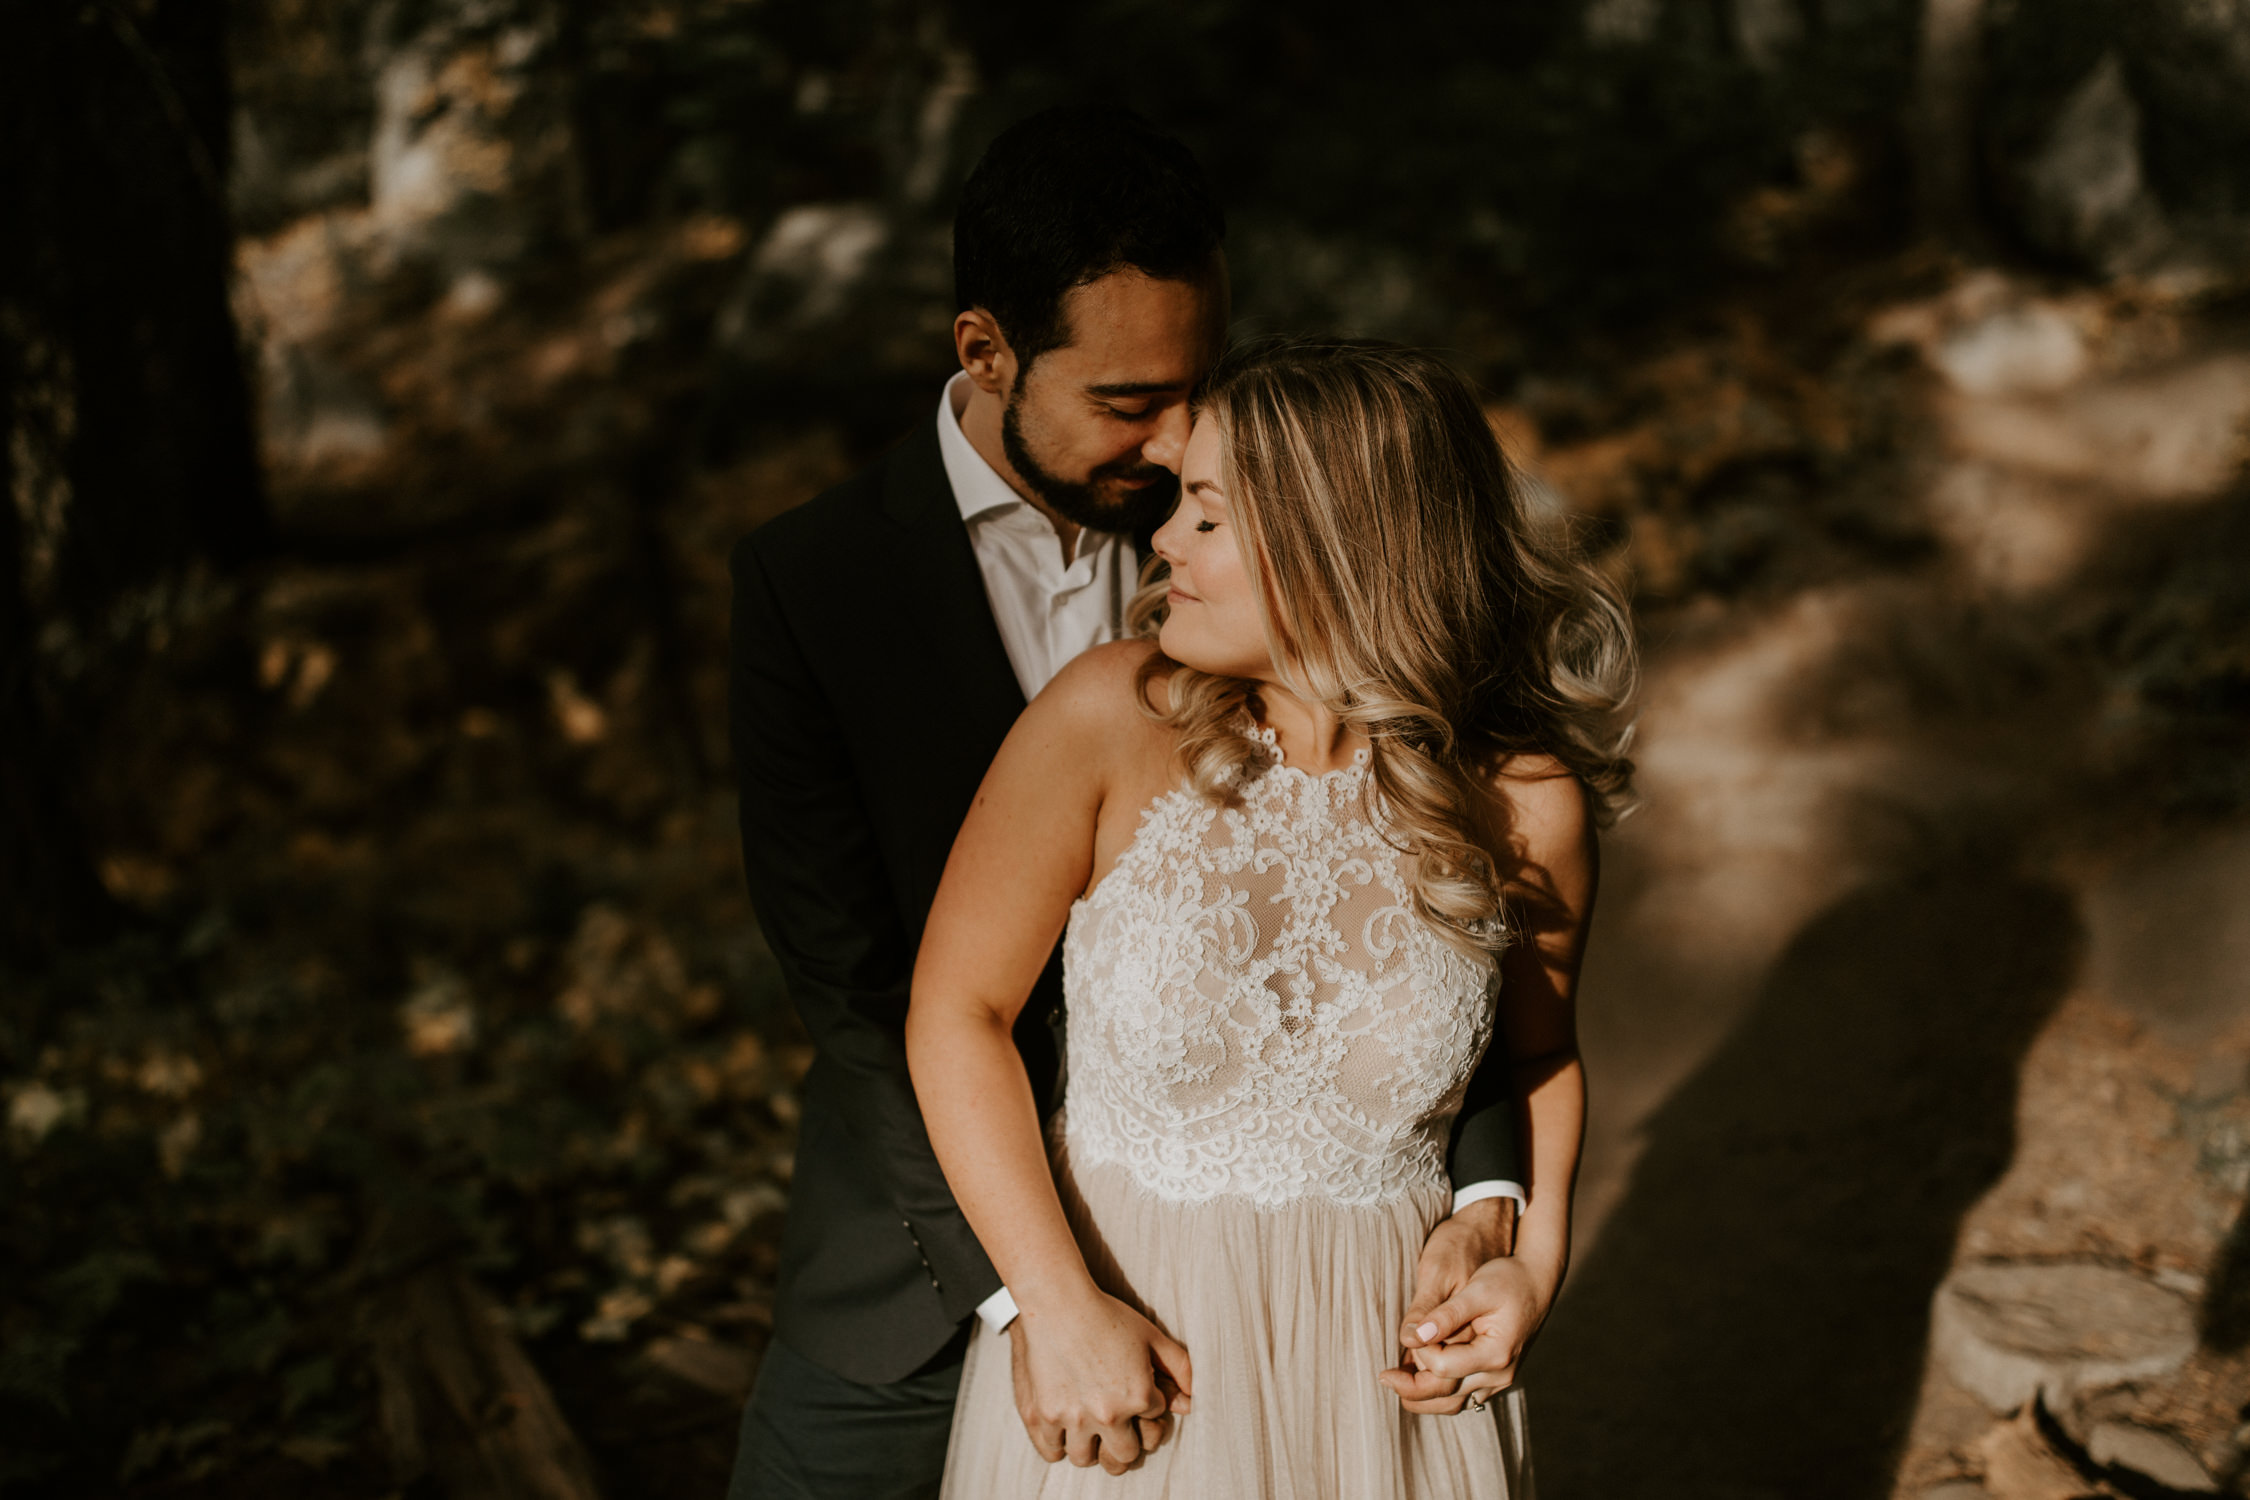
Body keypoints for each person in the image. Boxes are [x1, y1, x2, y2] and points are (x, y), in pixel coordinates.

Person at [727, 105, 1532, 1498]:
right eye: (1124, 403)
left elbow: (1431, 929)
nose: (1172, 449)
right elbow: (863, 998)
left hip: (1287, 1296)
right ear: (985, 352)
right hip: (921, 1270)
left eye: (1196, 389)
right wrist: (1034, 1302)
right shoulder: (813, 589)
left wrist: (1486, 1195)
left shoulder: (1261, 543)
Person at [907, 337, 1636, 1497]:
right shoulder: (1107, 719)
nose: (1163, 543)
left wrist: (1529, 1263)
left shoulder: (1524, 804)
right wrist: (1054, 1308)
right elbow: (958, 1012)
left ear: (1337, 548)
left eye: (1206, 514)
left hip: (1381, 1382)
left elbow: (1541, 1055)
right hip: (1135, 1349)